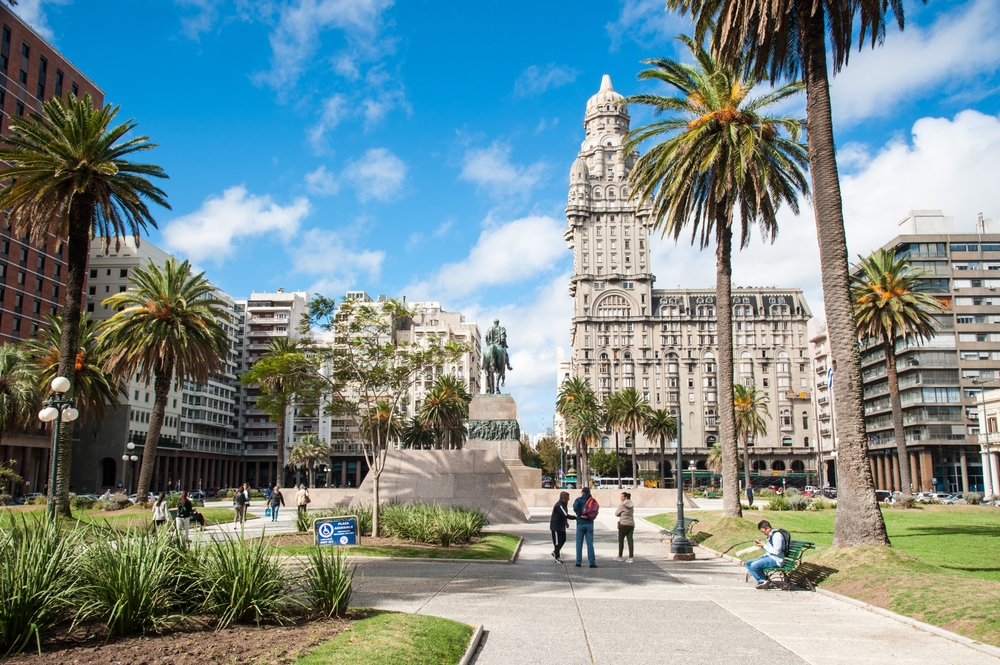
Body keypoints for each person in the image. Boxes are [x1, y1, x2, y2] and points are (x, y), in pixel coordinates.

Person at [745, 520, 786, 589]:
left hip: (776, 559)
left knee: (754, 565)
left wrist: (764, 546)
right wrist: (762, 545)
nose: (763, 533)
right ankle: (763, 580)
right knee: (748, 563)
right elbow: (769, 549)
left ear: (768, 528)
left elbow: (777, 551)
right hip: (769, 557)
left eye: (763, 531)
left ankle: (763, 581)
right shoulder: (770, 535)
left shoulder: (777, 536)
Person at [572, 487, 598, 568]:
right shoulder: (592, 501)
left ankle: (578, 562)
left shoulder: (579, 500)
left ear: (583, 492)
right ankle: (592, 562)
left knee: (579, 543)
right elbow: (596, 510)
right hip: (589, 523)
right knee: (590, 543)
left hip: (580, 523)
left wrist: (580, 514)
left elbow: (575, 506)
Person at [549, 491, 577, 563]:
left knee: (563, 540)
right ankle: (557, 557)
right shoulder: (559, 505)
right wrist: (576, 517)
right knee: (557, 542)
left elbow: (563, 515)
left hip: (561, 525)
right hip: (556, 526)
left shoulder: (564, 504)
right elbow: (565, 514)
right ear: (564, 498)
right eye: (568, 498)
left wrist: (565, 522)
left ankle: (555, 551)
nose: (568, 500)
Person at [615, 491, 635, 563]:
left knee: (621, 540)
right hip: (631, 524)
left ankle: (620, 556)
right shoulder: (631, 504)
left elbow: (616, 513)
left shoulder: (622, 504)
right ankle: (631, 557)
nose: (621, 498)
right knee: (630, 541)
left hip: (623, 524)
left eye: (622, 497)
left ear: (626, 497)